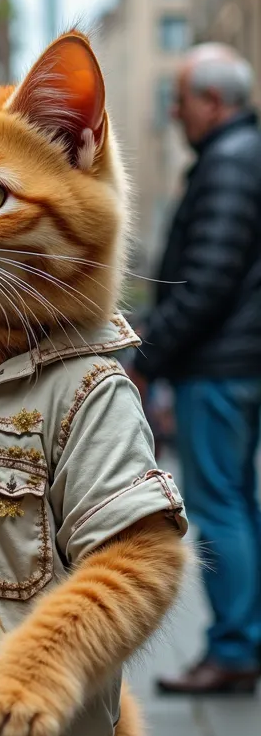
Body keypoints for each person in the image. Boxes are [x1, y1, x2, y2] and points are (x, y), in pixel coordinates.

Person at [134, 43, 261, 695]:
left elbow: (208, 279)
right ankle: (244, 640)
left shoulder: (229, 163)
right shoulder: (237, 157)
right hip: (234, 361)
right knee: (238, 500)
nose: (175, 111)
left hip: (220, 367)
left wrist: (148, 356)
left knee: (221, 504)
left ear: (212, 102)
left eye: (180, 99)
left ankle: (236, 649)